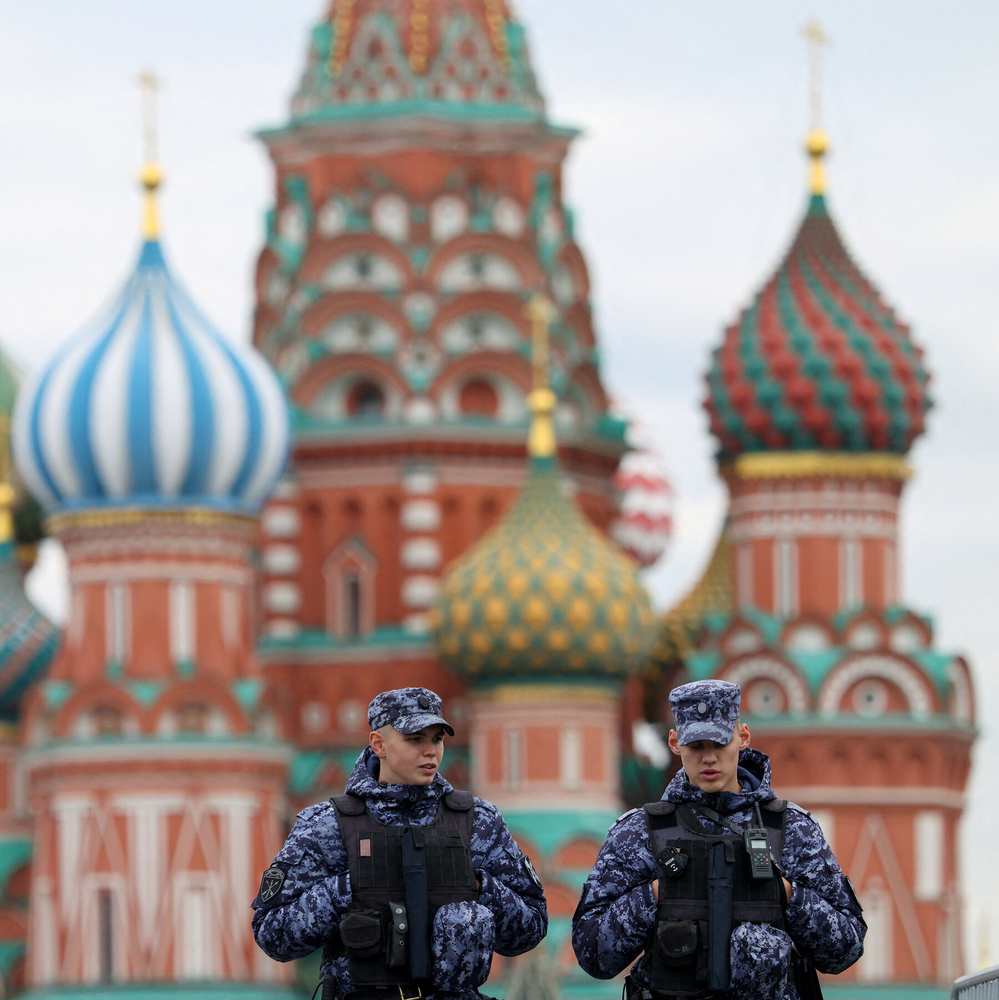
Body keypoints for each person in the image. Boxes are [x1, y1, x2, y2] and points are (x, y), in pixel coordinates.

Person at [571, 680, 865, 1000]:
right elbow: (593, 956)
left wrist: (789, 895)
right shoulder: (639, 833)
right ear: (674, 742)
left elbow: (845, 951)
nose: (709, 758)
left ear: (743, 737)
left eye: (719, 743)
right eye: (696, 746)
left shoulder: (792, 829)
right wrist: (654, 895)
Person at [252, 686, 548, 1000]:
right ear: (379, 744)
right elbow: (273, 934)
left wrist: (477, 886)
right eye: (415, 739)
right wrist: (348, 888)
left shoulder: (477, 821)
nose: (430, 751)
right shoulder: (328, 824)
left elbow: (531, 929)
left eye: (437, 739)